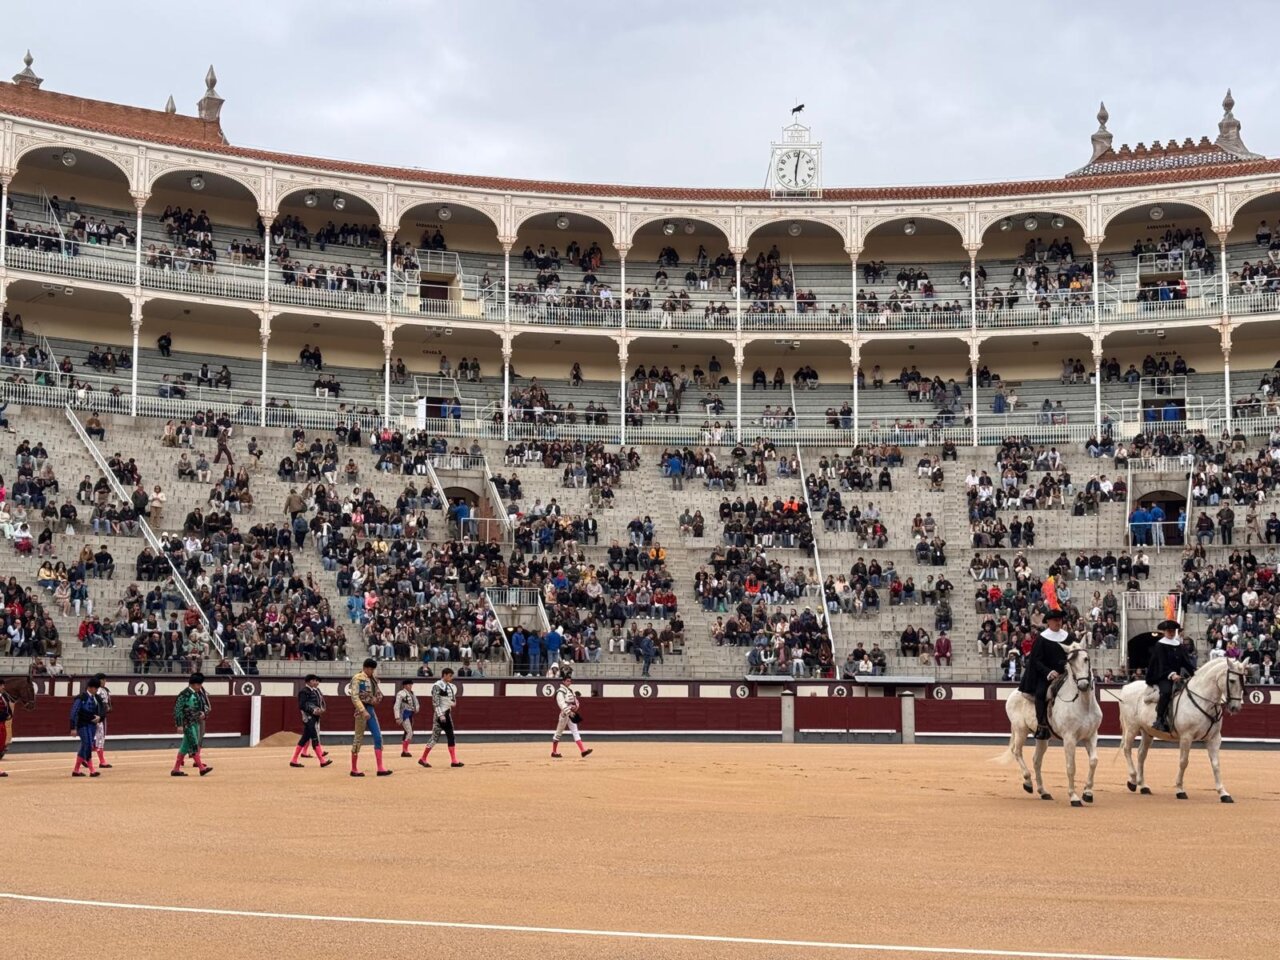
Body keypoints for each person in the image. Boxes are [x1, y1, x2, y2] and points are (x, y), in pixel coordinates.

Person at [1017, 609, 1073, 740]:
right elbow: (1036, 660)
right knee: (1041, 693)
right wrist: (1048, 672)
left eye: (1060, 620)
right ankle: (1042, 726)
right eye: (1055, 620)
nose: (1058, 622)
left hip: (1065, 674)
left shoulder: (1068, 637)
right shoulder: (1042, 638)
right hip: (1046, 675)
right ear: (1048, 621)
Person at [1148, 619, 1196, 733]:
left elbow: (1186, 662)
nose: (1171, 633)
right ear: (1164, 632)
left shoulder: (1179, 645)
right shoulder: (1160, 645)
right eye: (1169, 631)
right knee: (1166, 692)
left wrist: (1194, 672)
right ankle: (1159, 719)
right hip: (1162, 675)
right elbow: (1161, 663)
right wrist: (1171, 674)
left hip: (1178, 676)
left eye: (1173, 631)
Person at [350, 657, 391, 777]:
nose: (372, 672)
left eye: (373, 670)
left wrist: (377, 699)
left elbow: (378, 694)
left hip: (371, 709)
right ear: (366, 668)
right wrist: (363, 711)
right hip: (361, 710)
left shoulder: (373, 679)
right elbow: (354, 697)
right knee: (358, 739)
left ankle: (380, 768)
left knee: (378, 737)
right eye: (371, 669)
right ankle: (354, 769)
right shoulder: (357, 678)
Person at [419, 667, 463, 768]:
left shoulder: (449, 686)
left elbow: (449, 700)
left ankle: (453, 760)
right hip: (441, 715)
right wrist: (441, 715)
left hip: (447, 713)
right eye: (450, 676)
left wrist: (451, 704)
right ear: (444, 675)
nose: (451, 678)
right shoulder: (437, 686)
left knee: (448, 736)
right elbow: (435, 702)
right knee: (436, 738)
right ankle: (423, 758)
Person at [172, 672, 212, 776]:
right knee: (194, 744)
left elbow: (194, 709)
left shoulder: (194, 694)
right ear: (193, 684)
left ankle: (176, 769)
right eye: (199, 684)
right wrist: (179, 725)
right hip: (187, 724)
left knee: (185, 747)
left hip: (194, 723)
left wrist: (201, 713)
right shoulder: (184, 694)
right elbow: (178, 710)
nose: (200, 687)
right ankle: (201, 768)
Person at [291, 674, 332, 768]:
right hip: (308, 717)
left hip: (313, 717)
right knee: (314, 738)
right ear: (309, 682)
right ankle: (322, 761)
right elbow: (302, 705)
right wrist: (313, 710)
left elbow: (316, 703)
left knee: (304, 738)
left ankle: (294, 760)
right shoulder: (304, 691)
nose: (315, 682)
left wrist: (319, 710)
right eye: (313, 680)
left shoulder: (313, 691)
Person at [551, 668, 592, 759]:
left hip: (571, 713)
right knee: (558, 733)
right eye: (567, 681)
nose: (569, 683)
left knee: (575, 731)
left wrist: (576, 706)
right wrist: (569, 712)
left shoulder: (570, 691)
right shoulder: (560, 692)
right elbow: (561, 704)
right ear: (563, 682)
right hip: (565, 714)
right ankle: (554, 752)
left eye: (570, 681)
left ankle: (583, 751)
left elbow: (575, 701)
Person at [69, 677, 103, 777]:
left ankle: (76, 770)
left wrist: (98, 718)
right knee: (88, 744)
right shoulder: (81, 697)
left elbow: (100, 711)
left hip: (92, 726)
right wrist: (72, 728)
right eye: (95, 688)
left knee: (86, 746)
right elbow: (74, 713)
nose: (96, 690)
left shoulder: (95, 698)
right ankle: (92, 770)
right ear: (90, 688)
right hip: (82, 725)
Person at [394, 678, 420, 758]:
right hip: (404, 714)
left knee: (407, 732)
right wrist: (397, 717)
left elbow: (416, 702)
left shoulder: (412, 693)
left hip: (410, 714)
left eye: (411, 685)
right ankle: (405, 751)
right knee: (409, 732)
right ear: (404, 686)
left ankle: (404, 750)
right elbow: (396, 705)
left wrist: (416, 709)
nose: (410, 686)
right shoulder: (401, 693)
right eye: (409, 685)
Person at [92, 672, 112, 769]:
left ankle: (83, 758)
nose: (105, 681)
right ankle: (102, 761)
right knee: (100, 738)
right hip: (99, 717)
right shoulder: (100, 691)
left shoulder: (98, 690)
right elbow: (101, 705)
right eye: (103, 680)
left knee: (92, 738)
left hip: (94, 716)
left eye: (105, 680)